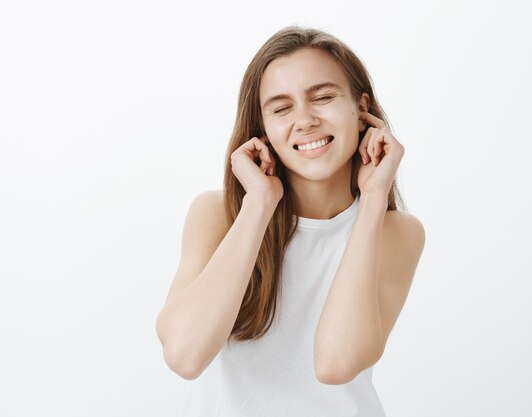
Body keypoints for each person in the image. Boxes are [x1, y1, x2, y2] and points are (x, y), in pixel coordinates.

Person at [155, 25, 426, 417]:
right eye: (282, 108)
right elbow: (184, 355)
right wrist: (259, 204)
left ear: (361, 108)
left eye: (324, 97)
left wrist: (372, 201)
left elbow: (336, 364)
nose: (305, 120)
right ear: (262, 129)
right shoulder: (218, 215)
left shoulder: (396, 232)